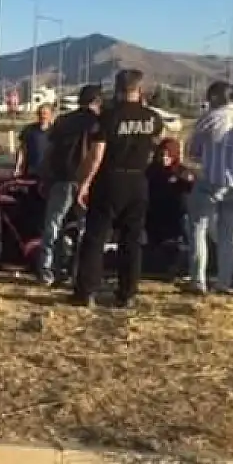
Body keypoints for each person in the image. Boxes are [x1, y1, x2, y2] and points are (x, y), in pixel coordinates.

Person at [72, 69, 162, 308]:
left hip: (110, 179)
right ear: (139, 89)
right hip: (138, 180)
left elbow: (97, 154)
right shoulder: (153, 118)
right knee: (131, 240)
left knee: (96, 237)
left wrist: (84, 183)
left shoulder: (109, 117)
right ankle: (127, 292)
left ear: (118, 89)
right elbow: (155, 148)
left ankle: (87, 291)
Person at [34, 84, 104, 286]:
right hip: (88, 180)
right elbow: (98, 154)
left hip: (62, 179)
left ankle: (47, 271)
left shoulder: (63, 121)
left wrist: (45, 176)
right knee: (83, 229)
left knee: (53, 225)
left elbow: (50, 150)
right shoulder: (99, 123)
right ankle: (76, 271)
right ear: (97, 102)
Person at [186, 81, 233, 294]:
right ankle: (224, 281)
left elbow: (192, 150)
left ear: (215, 98)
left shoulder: (211, 118)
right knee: (229, 234)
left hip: (211, 181)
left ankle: (198, 280)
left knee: (198, 229)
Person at [146, 138, 194, 275]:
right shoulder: (152, 170)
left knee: (173, 244)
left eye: (167, 155)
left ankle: (173, 266)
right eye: (162, 154)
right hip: (154, 214)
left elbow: (189, 188)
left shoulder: (181, 171)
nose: (164, 158)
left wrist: (187, 180)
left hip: (174, 215)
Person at [14, 103, 54, 177]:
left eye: (45, 113)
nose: (43, 116)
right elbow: (22, 150)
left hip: (49, 172)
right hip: (31, 170)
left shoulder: (55, 131)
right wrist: (18, 167)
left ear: (51, 115)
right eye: (40, 113)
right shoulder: (29, 129)